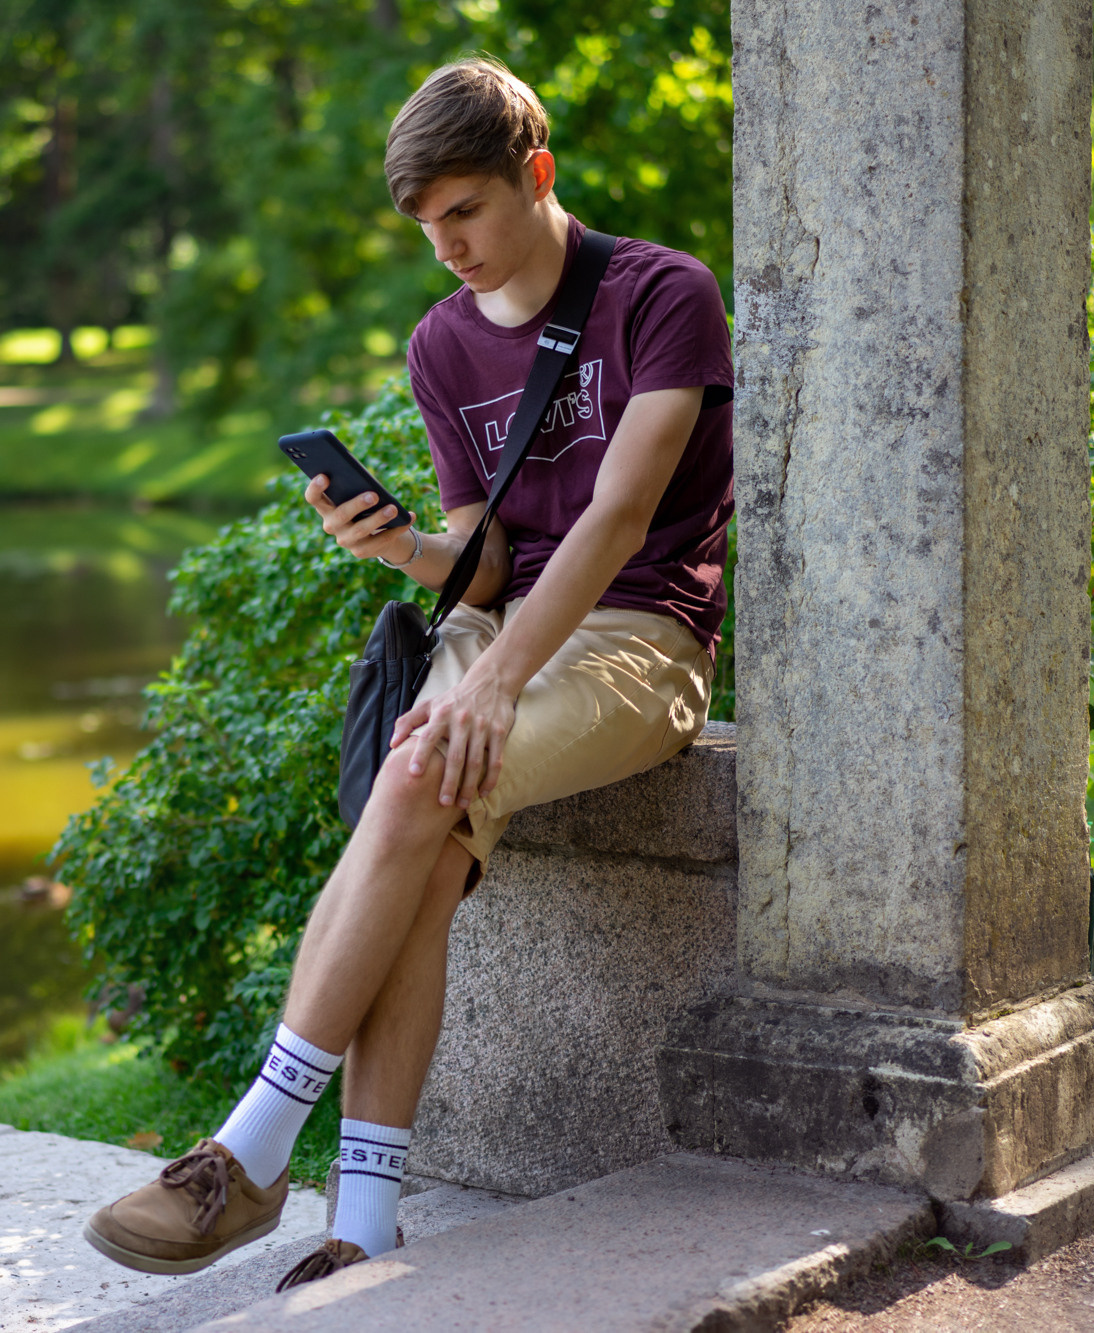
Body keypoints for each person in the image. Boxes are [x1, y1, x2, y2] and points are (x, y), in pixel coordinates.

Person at [83, 56, 734, 1289]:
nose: (446, 248)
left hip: (639, 638)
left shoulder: (661, 295)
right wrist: (413, 548)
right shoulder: (442, 344)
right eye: (425, 225)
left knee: (425, 762)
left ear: (533, 175)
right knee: (423, 836)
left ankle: (250, 1148)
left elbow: (613, 517)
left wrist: (490, 684)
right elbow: (486, 556)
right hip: (503, 631)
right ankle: (364, 1226)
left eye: (464, 212)